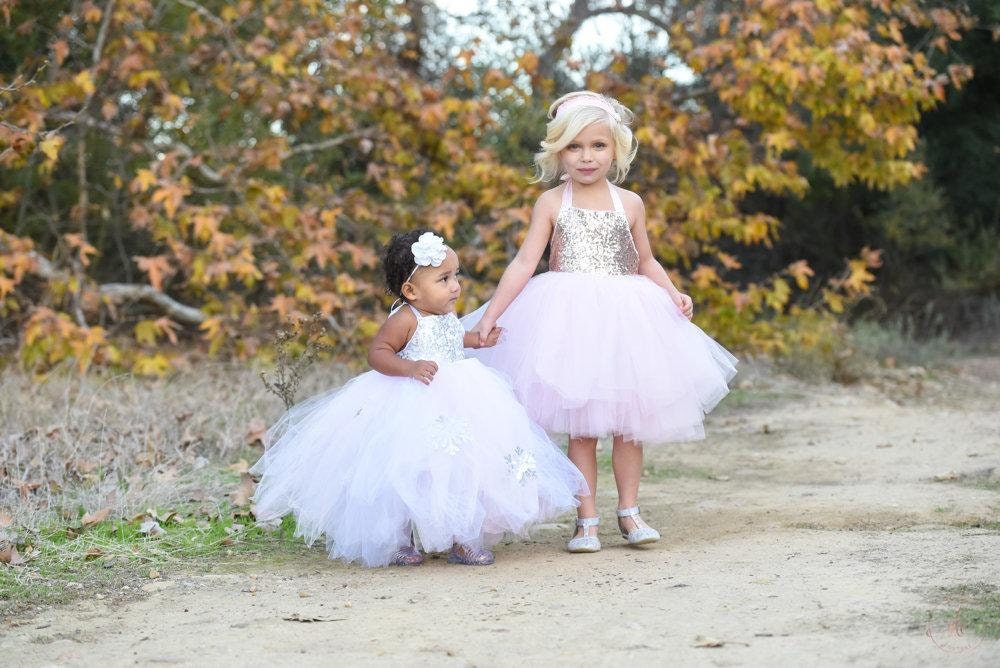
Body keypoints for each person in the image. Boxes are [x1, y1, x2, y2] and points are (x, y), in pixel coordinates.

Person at [465, 91, 737, 553]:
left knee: (630, 424)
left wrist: (673, 294)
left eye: (598, 146)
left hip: (626, 321)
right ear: (558, 152)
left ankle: (629, 513)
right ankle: (585, 519)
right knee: (583, 427)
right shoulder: (551, 203)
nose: (586, 157)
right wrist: (492, 314)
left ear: (617, 150)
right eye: (575, 147)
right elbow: (524, 263)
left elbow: (645, 260)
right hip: (567, 320)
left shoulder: (630, 203)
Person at [250, 230, 588, 567]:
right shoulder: (404, 319)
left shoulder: (445, 316)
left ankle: (464, 538)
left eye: (456, 276)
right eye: (444, 279)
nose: (456, 286)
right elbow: (378, 354)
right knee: (407, 471)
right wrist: (408, 367)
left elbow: (453, 340)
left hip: (462, 398)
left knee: (464, 468)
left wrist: (477, 341)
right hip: (411, 402)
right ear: (411, 290)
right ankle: (399, 540)